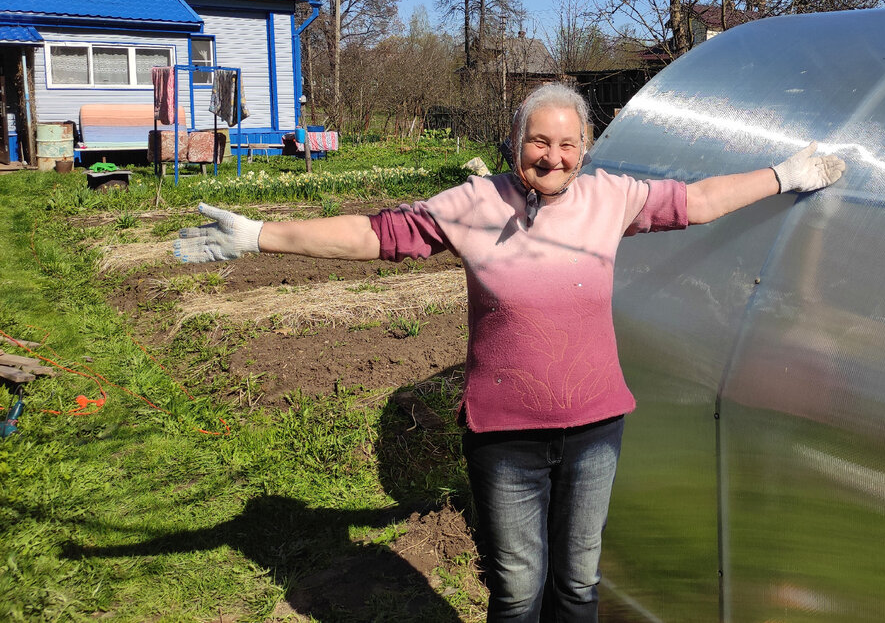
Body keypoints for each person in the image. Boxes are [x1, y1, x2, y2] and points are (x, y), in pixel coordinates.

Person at [174, 82, 846, 622]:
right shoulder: (474, 203)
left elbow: (698, 201)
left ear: (586, 149)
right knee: (519, 591)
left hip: (595, 430)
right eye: (538, 141)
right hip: (505, 437)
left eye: (568, 143)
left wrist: (786, 173)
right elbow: (373, 235)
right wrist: (264, 233)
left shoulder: (610, 198)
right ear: (515, 141)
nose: (552, 156)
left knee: (579, 585)